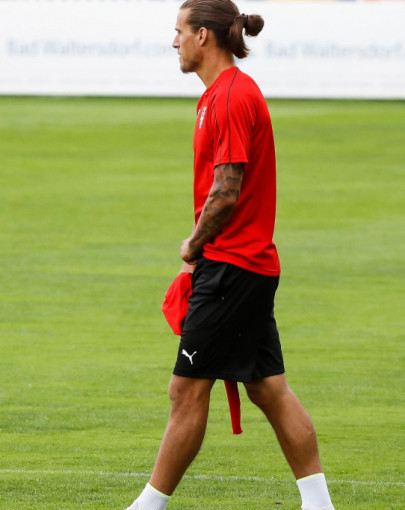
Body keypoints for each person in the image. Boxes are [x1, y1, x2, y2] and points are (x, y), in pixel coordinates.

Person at [122, 1, 335, 509]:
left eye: (179, 31)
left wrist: (193, 246)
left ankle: (147, 507)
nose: (173, 41)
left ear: (203, 35)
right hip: (245, 265)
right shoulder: (219, 95)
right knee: (268, 389)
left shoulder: (231, 97)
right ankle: (320, 505)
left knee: (186, 391)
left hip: (232, 268)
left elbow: (226, 189)